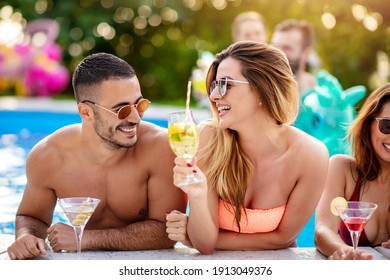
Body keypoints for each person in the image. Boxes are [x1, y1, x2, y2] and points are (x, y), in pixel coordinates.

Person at [7, 53, 187, 260]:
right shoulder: (48, 157)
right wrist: (26, 236)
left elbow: (168, 232)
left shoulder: (160, 147)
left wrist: (86, 239)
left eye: (140, 105)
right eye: (122, 110)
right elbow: (31, 217)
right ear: (86, 113)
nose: (135, 118)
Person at [166, 41, 329, 254]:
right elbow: (204, 244)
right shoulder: (209, 138)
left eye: (225, 84)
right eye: (214, 85)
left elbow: (282, 238)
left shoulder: (311, 155)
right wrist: (196, 196)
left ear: (262, 89)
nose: (214, 96)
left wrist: (198, 235)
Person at [315, 83, 390, 260]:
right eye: (387, 125)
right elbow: (322, 230)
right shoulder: (342, 169)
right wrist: (346, 253)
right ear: (368, 123)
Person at [271, 19, 317, 95]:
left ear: (306, 53)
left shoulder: (318, 92)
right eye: (275, 46)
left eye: (287, 48)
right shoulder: (261, 88)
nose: (278, 53)